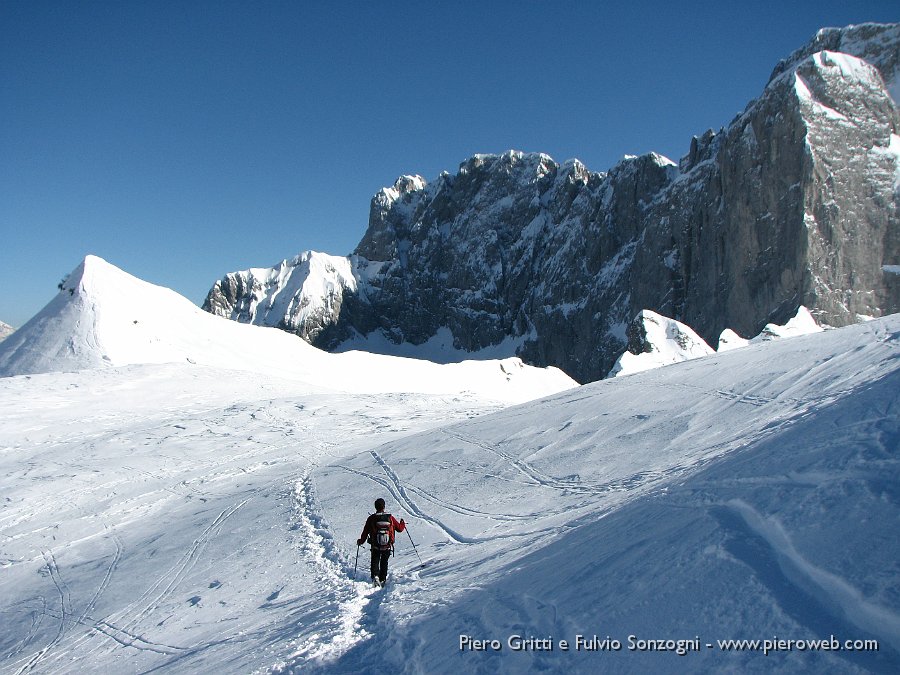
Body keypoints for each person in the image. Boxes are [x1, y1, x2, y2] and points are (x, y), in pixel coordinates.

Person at [357, 498, 405, 586]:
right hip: (387, 545)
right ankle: (382, 579)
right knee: (384, 562)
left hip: (375, 545)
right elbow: (400, 529)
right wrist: (402, 523)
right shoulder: (390, 517)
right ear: (384, 506)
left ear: (375, 507)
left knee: (375, 560)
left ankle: (375, 577)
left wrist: (361, 541)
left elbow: (365, 532)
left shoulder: (371, 518)